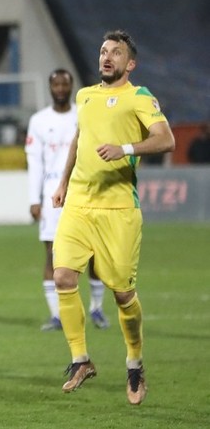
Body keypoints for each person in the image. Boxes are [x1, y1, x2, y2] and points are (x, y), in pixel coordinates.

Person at [51, 30, 175, 405]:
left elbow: (165, 138)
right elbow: (79, 138)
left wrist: (124, 148)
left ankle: (134, 362)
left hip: (119, 209)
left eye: (116, 53)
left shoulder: (140, 97)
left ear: (130, 63)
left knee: (123, 294)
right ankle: (80, 359)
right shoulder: (85, 95)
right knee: (62, 276)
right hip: (79, 205)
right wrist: (62, 183)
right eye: (104, 51)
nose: (107, 57)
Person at [25, 69, 108, 332]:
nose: (60, 88)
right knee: (51, 253)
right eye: (56, 84)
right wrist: (33, 198)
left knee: (95, 253)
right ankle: (57, 315)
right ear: (50, 88)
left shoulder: (83, 113)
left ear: (71, 87)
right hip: (52, 192)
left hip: (84, 189)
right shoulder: (38, 121)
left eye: (65, 84)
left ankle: (96, 308)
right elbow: (34, 161)